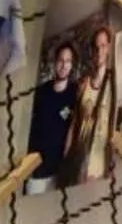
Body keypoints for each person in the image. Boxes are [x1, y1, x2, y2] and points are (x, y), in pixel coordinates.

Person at [27, 41, 81, 189]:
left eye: (68, 61)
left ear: (72, 65)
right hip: (37, 173)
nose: (64, 65)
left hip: (60, 174)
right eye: (61, 60)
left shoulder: (76, 94)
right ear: (55, 62)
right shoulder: (40, 93)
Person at [72, 26, 116, 185]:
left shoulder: (113, 83)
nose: (99, 51)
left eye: (103, 46)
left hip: (100, 158)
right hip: (81, 157)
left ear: (108, 48)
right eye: (96, 47)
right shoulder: (84, 84)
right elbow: (74, 122)